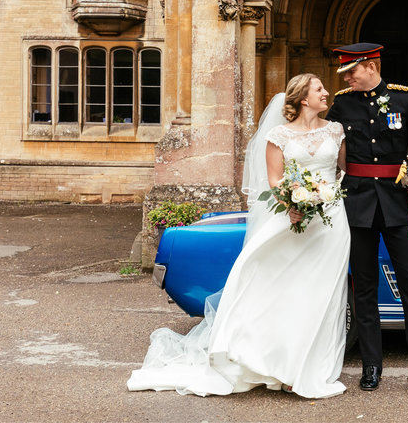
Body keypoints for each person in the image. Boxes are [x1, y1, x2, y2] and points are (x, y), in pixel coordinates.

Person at [127, 73, 351, 398]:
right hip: (293, 220)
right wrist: (292, 201)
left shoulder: (335, 131)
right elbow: (275, 180)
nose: (326, 93)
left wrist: (325, 194)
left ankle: (309, 367)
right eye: (319, 89)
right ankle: (277, 364)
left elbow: (344, 169)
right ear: (304, 98)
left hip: (331, 222)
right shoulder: (279, 135)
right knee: (286, 288)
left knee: (324, 293)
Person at [325, 42, 408, 399]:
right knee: (364, 289)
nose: (347, 76)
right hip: (358, 207)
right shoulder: (342, 104)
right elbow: (325, 149)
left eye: (352, 71)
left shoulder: (406, 100)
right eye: (345, 73)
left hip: (398, 206)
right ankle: (371, 366)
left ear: (372, 66)